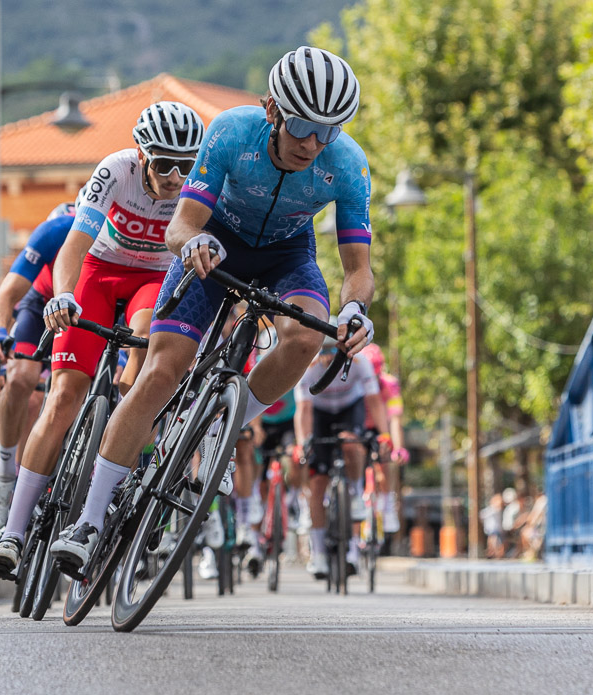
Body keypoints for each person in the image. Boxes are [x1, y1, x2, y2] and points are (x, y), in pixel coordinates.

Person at [48, 46, 375, 571]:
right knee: (159, 372)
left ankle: (228, 425)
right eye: (301, 126)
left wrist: (355, 307)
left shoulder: (348, 165)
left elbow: (357, 267)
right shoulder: (230, 132)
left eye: (328, 131)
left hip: (288, 255)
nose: (312, 143)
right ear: (273, 110)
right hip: (213, 241)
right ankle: (88, 521)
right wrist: (193, 244)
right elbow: (180, 225)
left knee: (306, 335)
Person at [0, 101, 205, 572]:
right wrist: (64, 296)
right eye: (164, 163)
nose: (174, 177)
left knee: (142, 351)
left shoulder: (197, 184)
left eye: (185, 166)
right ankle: (14, 532)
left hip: (155, 278)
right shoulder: (116, 171)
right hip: (99, 271)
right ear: (142, 156)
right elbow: (75, 246)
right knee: (63, 397)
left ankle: (117, 453)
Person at [0, 200, 76, 531]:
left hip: (90, 307)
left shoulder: (112, 235)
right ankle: (5, 473)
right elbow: (4, 299)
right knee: (23, 382)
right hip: (40, 306)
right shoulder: (54, 232)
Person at [294, 337, 390, 578]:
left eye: (333, 350)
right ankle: (319, 554)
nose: (328, 356)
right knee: (317, 484)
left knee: (351, 444)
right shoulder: (309, 367)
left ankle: (355, 492)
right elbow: (303, 411)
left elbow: (374, 402)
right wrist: (302, 443)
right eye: (323, 350)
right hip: (320, 414)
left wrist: (385, 434)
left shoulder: (360, 363)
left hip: (350, 409)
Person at [358, 343, 408, 533]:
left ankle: (387, 504)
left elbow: (395, 419)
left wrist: (398, 448)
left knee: (386, 461)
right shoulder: (356, 379)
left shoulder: (390, 384)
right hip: (360, 425)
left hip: (382, 427)